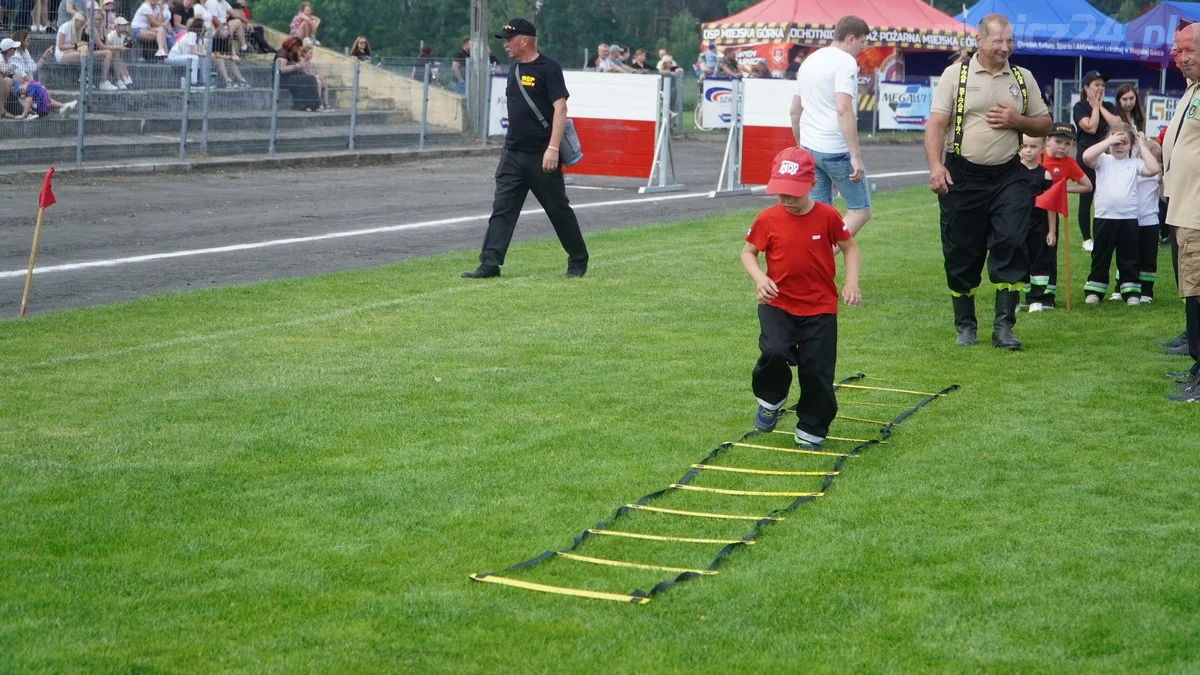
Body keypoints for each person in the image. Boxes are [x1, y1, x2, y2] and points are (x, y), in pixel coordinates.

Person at [925, 13, 1052, 350]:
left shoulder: (1023, 78)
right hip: (962, 176)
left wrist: (1018, 120)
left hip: (1008, 176)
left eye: (1009, 41)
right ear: (979, 41)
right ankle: (965, 325)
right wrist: (936, 166)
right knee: (961, 252)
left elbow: (1044, 124)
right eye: (998, 40)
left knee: (1011, 241)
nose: (1005, 47)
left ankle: (1004, 327)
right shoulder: (957, 75)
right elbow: (936, 124)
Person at [741, 146, 862, 450]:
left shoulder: (828, 216)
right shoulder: (767, 219)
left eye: (793, 193)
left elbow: (850, 247)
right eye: (780, 193)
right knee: (774, 350)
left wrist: (851, 282)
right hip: (778, 302)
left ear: (811, 185)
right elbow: (748, 253)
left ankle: (811, 428)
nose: (786, 200)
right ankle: (771, 399)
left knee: (817, 370)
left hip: (820, 308)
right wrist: (761, 278)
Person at [462, 18, 588, 280]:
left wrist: (553, 148)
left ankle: (578, 259)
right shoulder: (514, 69)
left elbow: (560, 109)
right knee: (503, 209)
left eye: (509, 39)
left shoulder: (549, 67)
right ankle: (489, 263)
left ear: (525, 40)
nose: (505, 44)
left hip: (542, 154)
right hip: (513, 153)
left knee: (557, 209)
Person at [790, 15, 872, 237]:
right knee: (860, 211)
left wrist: (801, 146)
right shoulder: (845, 62)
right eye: (863, 41)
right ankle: (821, 254)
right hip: (835, 149)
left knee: (818, 213)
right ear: (851, 38)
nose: (863, 47)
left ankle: (809, 258)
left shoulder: (810, 60)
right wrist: (855, 155)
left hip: (810, 146)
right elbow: (843, 108)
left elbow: (794, 111)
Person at [1160, 22, 1200, 402]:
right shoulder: (1194, 89)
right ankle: (1197, 365)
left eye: (1186, 50)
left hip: (1198, 212)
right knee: (1193, 291)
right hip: (1185, 206)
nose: (1179, 57)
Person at [1080, 123, 1160, 305]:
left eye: (1124, 142)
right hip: (1104, 217)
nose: (1119, 146)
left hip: (1128, 219)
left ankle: (1130, 291)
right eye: (1116, 142)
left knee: (1129, 258)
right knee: (1100, 255)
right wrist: (1110, 139)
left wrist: (1140, 143)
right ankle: (1095, 289)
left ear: (1130, 145)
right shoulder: (1102, 160)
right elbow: (1086, 156)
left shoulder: (1135, 164)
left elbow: (1154, 169)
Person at [1026, 122, 1091, 312]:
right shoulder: (1037, 155)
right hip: (1028, 212)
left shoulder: (1069, 164)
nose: (1062, 147)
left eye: (1068, 144)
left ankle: (1048, 295)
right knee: (1027, 254)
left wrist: (1063, 189)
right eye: (1058, 141)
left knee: (1048, 255)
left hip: (1050, 215)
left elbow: (1087, 186)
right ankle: (1029, 294)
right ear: (1047, 140)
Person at [1073, 70, 1120, 253]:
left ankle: (1104, 235)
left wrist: (1100, 107)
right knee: (1087, 197)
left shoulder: (1108, 105)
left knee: (1106, 198)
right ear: (1086, 88)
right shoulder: (1080, 107)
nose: (1100, 88)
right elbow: (1091, 128)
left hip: (1107, 158)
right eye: (1096, 85)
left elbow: (1116, 124)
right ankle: (1087, 239)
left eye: (1102, 85)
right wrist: (1093, 108)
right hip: (1087, 157)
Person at [1135, 139, 1163, 303]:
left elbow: (1164, 198)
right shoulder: (1135, 171)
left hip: (1150, 221)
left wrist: (1161, 183)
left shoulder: (1157, 176)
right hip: (1131, 220)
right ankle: (1123, 286)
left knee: (1148, 257)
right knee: (1129, 255)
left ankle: (1146, 290)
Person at [274, 36, 319, 110]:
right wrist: (295, 66)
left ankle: (312, 104)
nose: (298, 49)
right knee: (306, 80)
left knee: (310, 78)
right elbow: (281, 69)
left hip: (291, 77)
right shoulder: (283, 53)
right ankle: (305, 104)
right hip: (282, 79)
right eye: (297, 47)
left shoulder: (293, 54)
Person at [103, 15, 133, 88]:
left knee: (122, 63)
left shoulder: (123, 36)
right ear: (116, 26)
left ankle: (128, 79)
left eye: (124, 25)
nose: (124, 26)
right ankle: (123, 79)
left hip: (116, 57)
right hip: (109, 57)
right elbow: (107, 47)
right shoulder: (111, 35)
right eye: (122, 25)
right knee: (118, 59)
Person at [299, 44, 328, 110]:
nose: (311, 55)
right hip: (304, 81)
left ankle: (326, 104)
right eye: (310, 53)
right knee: (318, 82)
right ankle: (317, 103)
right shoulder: (301, 62)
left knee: (324, 83)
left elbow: (313, 74)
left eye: (312, 53)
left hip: (311, 79)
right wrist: (316, 77)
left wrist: (320, 76)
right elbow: (305, 75)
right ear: (304, 54)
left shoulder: (311, 64)